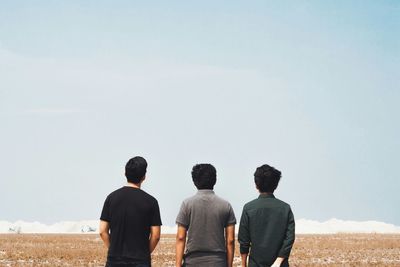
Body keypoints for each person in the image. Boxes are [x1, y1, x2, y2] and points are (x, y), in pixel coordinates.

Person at [99, 156, 162, 267]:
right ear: (144, 176)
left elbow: (102, 231)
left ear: (125, 173)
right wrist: (144, 253)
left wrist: (113, 249)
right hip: (140, 260)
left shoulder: (111, 198)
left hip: (114, 259)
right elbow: (155, 236)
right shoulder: (151, 202)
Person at [175, 164, 236, 267]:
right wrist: (229, 265)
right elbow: (230, 240)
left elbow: (181, 237)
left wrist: (178, 264)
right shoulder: (226, 205)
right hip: (218, 262)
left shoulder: (187, 204)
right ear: (215, 180)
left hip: (192, 262)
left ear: (194, 181)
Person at [238, 164, 295, 267]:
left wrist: (243, 264)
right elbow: (289, 238)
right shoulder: (285, 208)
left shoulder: (248, 208)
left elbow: (244, 241)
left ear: (256, 184)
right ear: (276, 185)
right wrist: (278, 261)